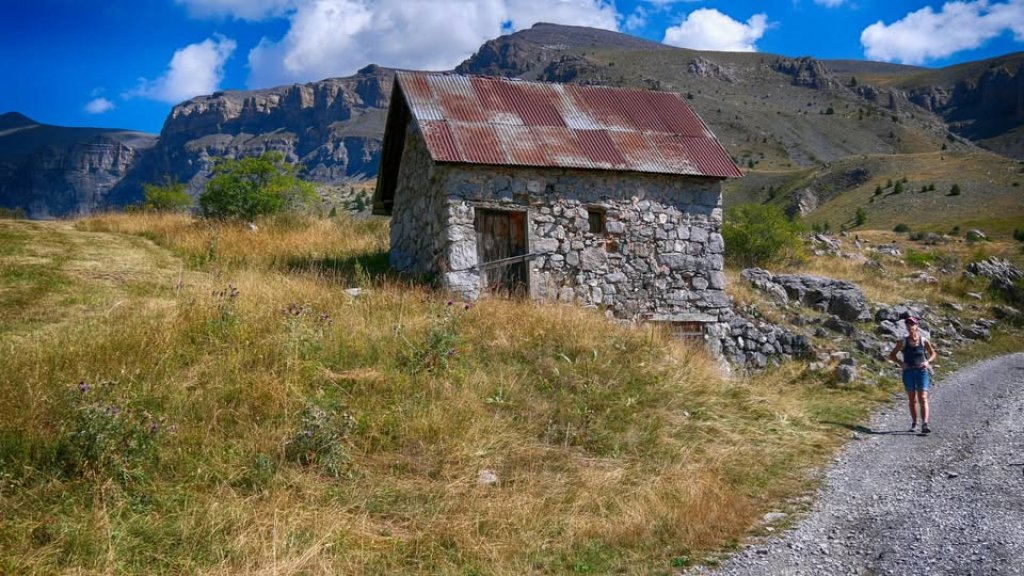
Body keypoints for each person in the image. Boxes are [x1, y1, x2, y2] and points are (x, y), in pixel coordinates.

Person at [888, 316, 937, 433]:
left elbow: (933, 353)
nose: (910, 326)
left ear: (917, 326)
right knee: (912, 399)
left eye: (912, 324)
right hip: (908, 372)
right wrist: (901, 363)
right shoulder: (903, 341)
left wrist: (927, 362)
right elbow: (892, 355)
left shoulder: (923, 341)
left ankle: (925, 424)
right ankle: (914, 423)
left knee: (923, 398)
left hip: (921, 371)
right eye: (908, 324)